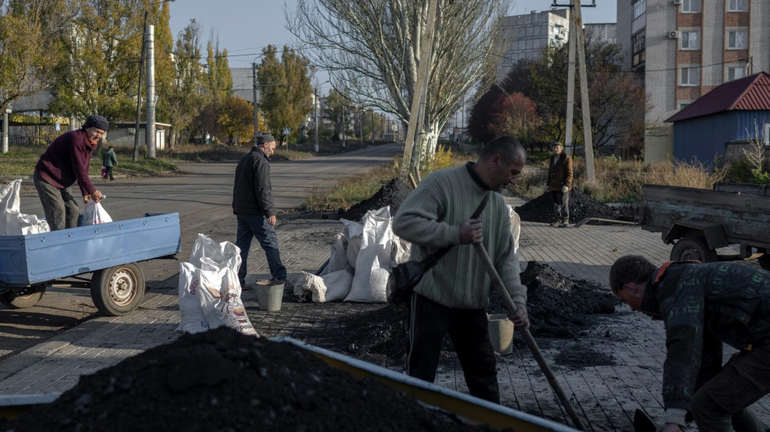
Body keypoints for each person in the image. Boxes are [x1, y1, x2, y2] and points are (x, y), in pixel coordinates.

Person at [392, 135, 530, 404]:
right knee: (420, 374)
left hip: (472, 306)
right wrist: (454, 233)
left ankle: (489, 424)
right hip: (432, 299)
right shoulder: (442, 182)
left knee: (484, 376)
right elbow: (403, 223)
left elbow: (506, 259)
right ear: (495, 160)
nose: (514, 180)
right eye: (513, 172)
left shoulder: (498, 208)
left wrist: (517, 301)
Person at [609, 255, 770, 432]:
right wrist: (685, 410)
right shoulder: (685, 278)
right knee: (724, 398)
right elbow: (704, 351)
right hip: (764, 340)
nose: (631, 308)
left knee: (708, 406)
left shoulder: (676, 289)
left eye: (624, 300)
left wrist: (673, 419)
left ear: (630, 288)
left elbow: (681, 351)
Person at [232, 133, 287, 290]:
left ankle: (238, 282)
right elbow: (263, 189)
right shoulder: (260, 161)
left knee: (241, 249)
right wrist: (269, 211)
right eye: (273, 148)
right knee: (271, 244)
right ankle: (280, 279)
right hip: (255, 212)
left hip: (242, 211)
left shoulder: (245, 159)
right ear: (265, 145)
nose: (273, 152)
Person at [33, 114, 106, 231]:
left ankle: (71, 239)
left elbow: (84, 167)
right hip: (47, 177)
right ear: (87, 128)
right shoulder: (76, 139)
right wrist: (93, 190)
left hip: (62, 181)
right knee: (58, 211)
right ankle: (57, 242)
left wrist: (85, 191)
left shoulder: (91, 143)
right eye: (96, 131)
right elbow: (78, 168)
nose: (98, 136)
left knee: (73, 210)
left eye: (102, 133)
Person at [545, 142, 572, 227]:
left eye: (557, 147)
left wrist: (567, 184)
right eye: (554, 148)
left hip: (562, 185)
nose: (555, 149)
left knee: (563, 203)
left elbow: (569, 173)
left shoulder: (566, 158)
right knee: (556, 204)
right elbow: (550, 173)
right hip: (554, 185)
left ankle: (565, 220)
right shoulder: (553, 158)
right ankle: (558, 219)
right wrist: (548, 184)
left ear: (561, 148)